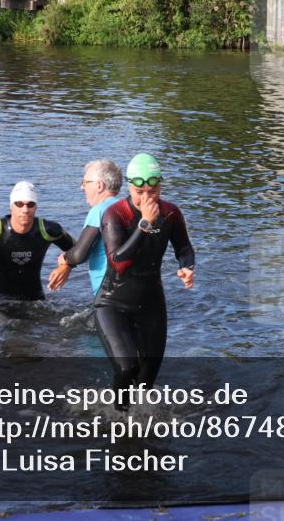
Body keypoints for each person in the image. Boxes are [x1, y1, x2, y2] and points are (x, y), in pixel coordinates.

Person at [94, 153, 195, 410]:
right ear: (129, 187)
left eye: (153, 190)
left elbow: (184, 248)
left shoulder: (170, 213)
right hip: (112, 302)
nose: (147, 198)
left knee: (145, 381)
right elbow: (118, 262)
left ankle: (136, 426)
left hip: (151, 304)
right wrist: (144, 225)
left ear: (161, 186)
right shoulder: (114, 213)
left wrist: (187, 267)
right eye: (140, 191)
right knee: (128, 367)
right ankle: (118, 417)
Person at [0, 181, 75, 301]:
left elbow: (81, 249)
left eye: (30, 204)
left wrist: (67, 265)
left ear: (36, 207)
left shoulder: (49, 230)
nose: (25, 209)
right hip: (1, 302)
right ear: (11, 206)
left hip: (37, 301)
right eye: (19, 204)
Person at [48, 160, 123, 295]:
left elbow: (80, 254)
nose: (82, 187)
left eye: (85, 182)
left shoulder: (99, 211)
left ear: (99, 186)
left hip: (108, 291)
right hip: (134, 287)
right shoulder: (127, 207)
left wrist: (65, 260)